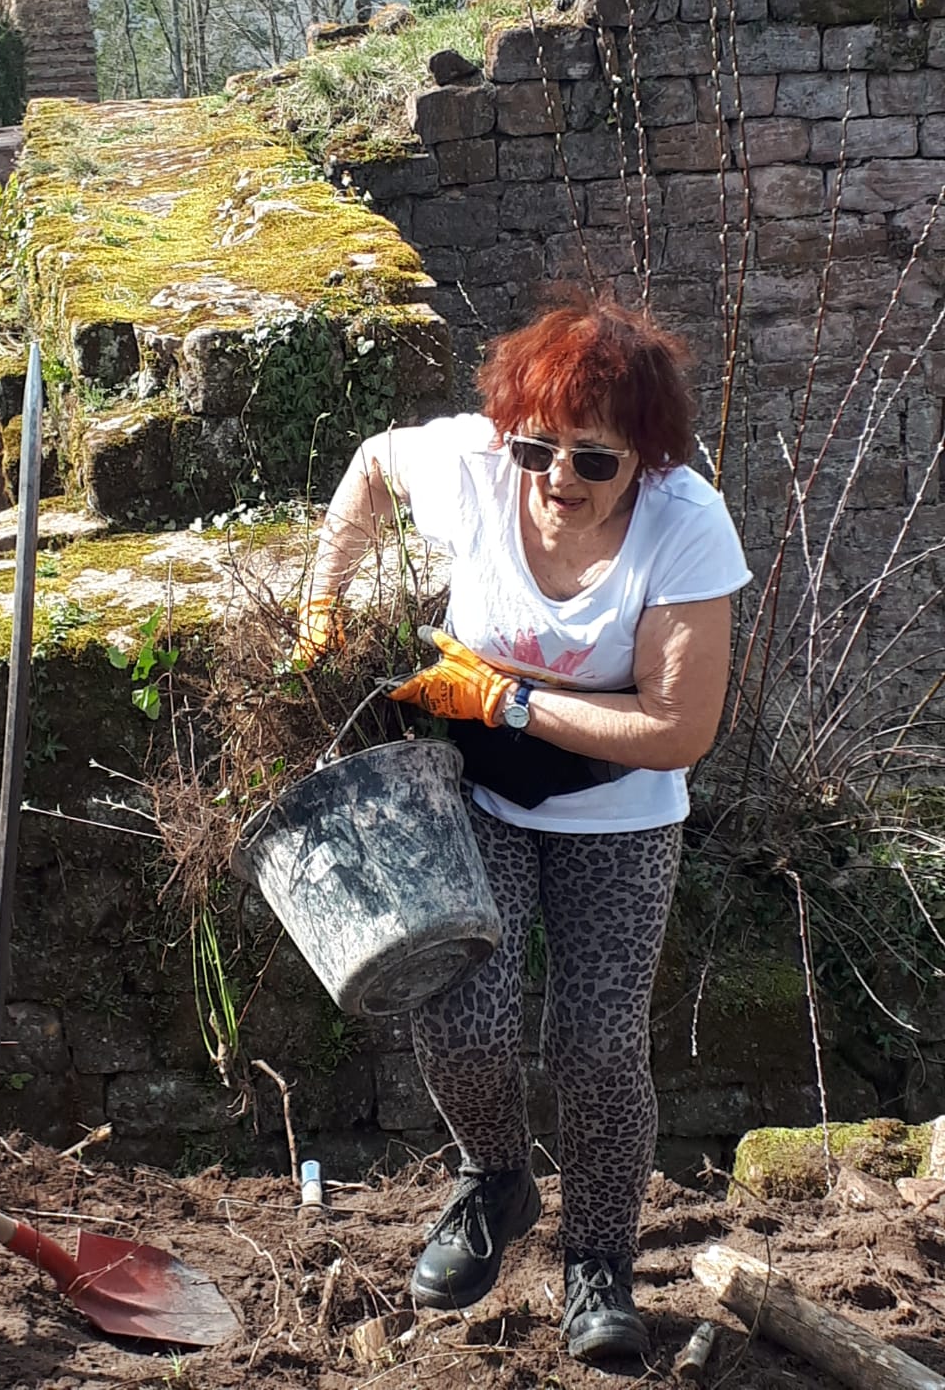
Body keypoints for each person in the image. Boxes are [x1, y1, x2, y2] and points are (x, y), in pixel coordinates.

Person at [294, 298, 751, 1365]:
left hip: (618, 812)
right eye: (537, 448)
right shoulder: (474, 465)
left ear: (646, 457)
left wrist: (506, 700)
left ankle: (599, 1264)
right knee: (459, 1014)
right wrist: (324, 602)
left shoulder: (686, 525)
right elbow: (371, 466)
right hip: (481, 792)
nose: (556, 479)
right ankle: (494, 1178)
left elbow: (678, 728)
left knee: (595, 1047)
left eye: (593, 460)